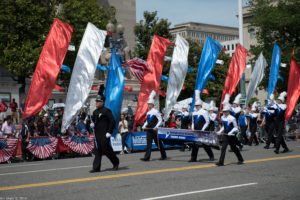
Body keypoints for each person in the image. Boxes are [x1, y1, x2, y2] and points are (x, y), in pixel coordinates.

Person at [90, 95, 119, 173]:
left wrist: (109, 132)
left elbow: (112, 121)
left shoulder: (106, 111)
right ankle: (96, 168)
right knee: (97, 151)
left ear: (102, 102)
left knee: (106, 149)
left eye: (98, 101)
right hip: (97, 134)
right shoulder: (95, 112)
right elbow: (93, 121)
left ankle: (115, 162)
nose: (96, 103)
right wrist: (91, 124)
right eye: (96, 101)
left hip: (105, 134)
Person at [140, 91, 167, 161]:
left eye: (150, 104)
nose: (149, 105)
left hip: (154, 130)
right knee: (148, 143)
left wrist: (156, 127)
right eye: (148, 104)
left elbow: (160, 120)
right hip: (149, 130)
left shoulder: (156, 111)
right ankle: (147, 157)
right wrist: (144, 125)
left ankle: (163, 155)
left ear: (153, 105)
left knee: (158, 143)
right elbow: (147, 121)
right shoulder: (148, 112)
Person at [189, 90, 214, 162]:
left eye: (197, 105)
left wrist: (203, 129)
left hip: (203, 130)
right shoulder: (194, 112)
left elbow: (207, 122)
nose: (196, 107)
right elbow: (193, 121)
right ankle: (193, 158)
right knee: (195, 144)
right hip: (196, 130)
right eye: (196, 106)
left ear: (200, 105)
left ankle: (211, 156)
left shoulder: (204, 112)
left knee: (205, 144)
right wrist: (192, 127)